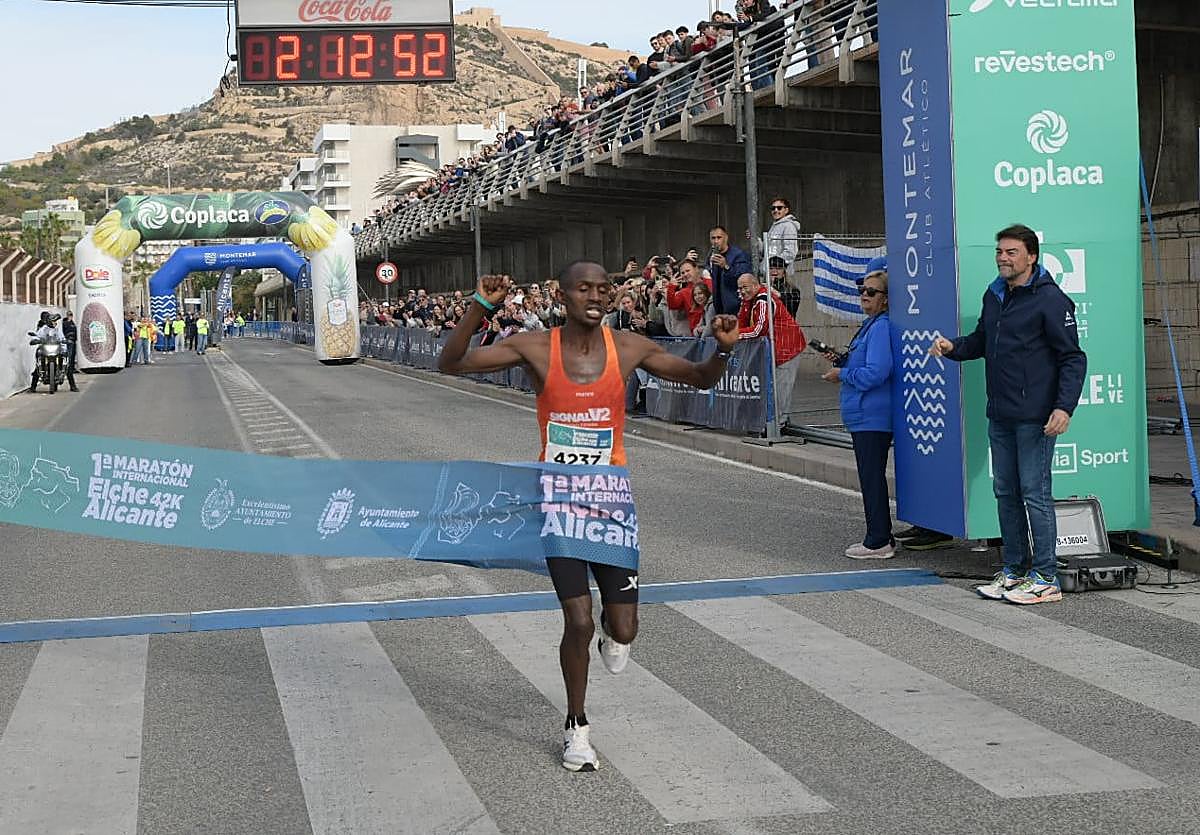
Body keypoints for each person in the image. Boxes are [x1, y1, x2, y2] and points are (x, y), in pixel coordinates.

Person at [438, 263, 740, 773]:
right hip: (557, 499)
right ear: (563, 294)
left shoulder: (630, 347)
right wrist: (480, 306)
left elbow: (696, 377)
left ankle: (613, 633)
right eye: (584, 288)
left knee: (624, 629)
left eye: (604, 288)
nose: (595, 296)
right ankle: (577, 727)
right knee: (576, 620)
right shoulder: (535, 347)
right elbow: (452, 363)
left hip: (611, 499)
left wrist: (724, 349)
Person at [930, 223, 1086, 605]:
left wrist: (1063, 407)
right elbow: (983, 340)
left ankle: (1046, 576)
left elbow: (1072, 358)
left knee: (1035, 493)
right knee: (1006, 492)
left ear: (1031, 256)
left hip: (1036, 417)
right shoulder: (994, 295)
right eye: (1000, 251)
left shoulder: (1051, 300)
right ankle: (1015, 570)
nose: (1003, 258)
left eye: (1011, 252)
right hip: (1000, 413)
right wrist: (953, 348)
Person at [820, 262, 893, 557]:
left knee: (872, 477)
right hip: (863, 413)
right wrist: (842, 361)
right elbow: (863, 364)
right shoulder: (870, 325)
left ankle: (878, 540)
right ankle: (879, 535)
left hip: (872, 414)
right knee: (869, 476)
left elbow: (877, 372)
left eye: (871, 291)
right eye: (862, 289)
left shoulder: (881, 327)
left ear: (885, 298)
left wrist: (843, 375)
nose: (863, 295)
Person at [735, 273, 807, 425]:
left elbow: (759, 329)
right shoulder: (750, 300)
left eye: (745, 287)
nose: (742, 291)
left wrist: (734, 336)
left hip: (787, 348)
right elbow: (742, 323)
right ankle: (773, 422)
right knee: (772, 388)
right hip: (775, 349)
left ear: (755, 285)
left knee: (781, 389)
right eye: (739, 288)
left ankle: (778, 424)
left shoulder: (763, 299)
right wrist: (744, 306)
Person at [707, 226, 752, 316]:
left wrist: (726, 266)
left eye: (719, 237)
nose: (716, 241)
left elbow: (743, 278)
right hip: (719, 305)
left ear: (726, 238)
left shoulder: (739, 255)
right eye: (713, 238)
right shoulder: (712, 255)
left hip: (736, 306)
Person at [60, 310, 79, 391]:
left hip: (71, 342)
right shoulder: (64, 324)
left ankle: (72, 385)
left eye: (71, 315)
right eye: (69, 315)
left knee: (69, 363)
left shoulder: (73, 323)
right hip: (66, 344)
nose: (70, 316)